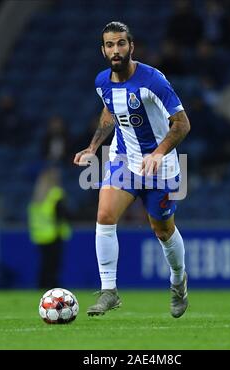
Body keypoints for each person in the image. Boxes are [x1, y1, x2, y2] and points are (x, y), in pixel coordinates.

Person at [74, 22, 191, 318]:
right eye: (110, 45)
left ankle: (178, 281)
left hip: (161, 167)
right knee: (104, 215)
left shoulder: (153, 81)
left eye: (121, 44)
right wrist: (92, 147)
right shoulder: (102, 81)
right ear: (103, 50)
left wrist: (158, 152)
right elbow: (109, 112)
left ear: (131, 47)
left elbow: (182, 123)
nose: (116, 50)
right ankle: (109, 291)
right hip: (124, 160)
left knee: (162, 230)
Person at [28, 167, 72, 289]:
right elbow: (62, 213)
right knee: (54, 265)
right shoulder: (56, 194)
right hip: (54, 234)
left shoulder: (37, 196)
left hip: (40, 236)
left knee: (44, 264)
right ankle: (53, 286)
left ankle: (42, 286)